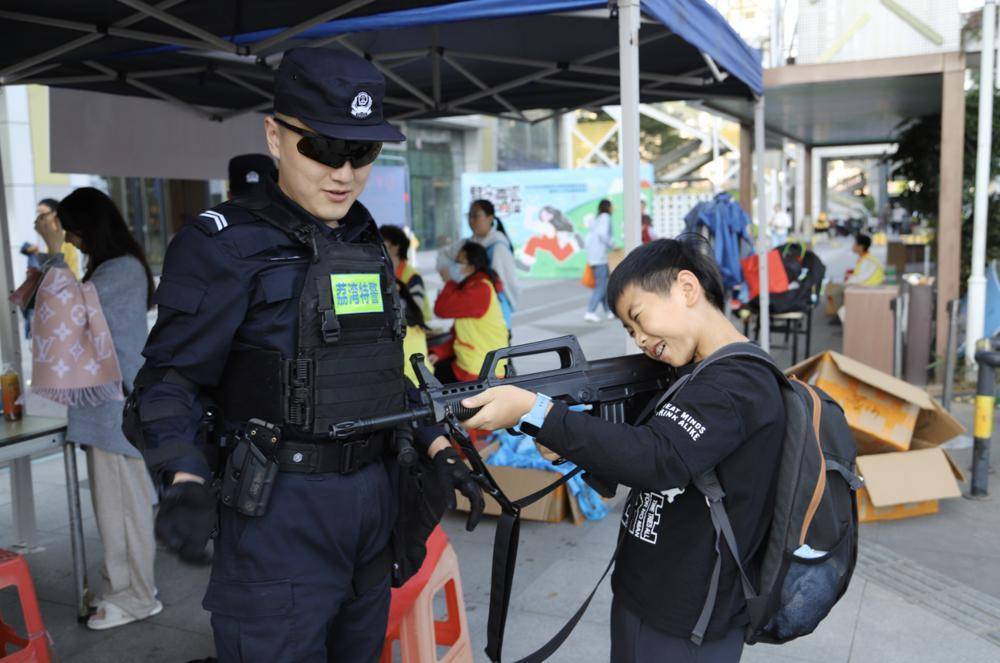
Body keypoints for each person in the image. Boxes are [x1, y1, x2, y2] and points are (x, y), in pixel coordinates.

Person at [132, 48, 483, 661]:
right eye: (321, 148)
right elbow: (167, 383)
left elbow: (379, 371)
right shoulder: (224, 246)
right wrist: (183, 478)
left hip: (373, 509)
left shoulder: (363, 239)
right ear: (274, 135)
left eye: (362, 152)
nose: (343, 172)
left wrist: (436, 446)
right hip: (279, 513)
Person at [460, 237, 785, 663]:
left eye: (639, 318)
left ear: (686, 289)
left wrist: (538, 411)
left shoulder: (739, 383)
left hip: (691, 619)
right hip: (645, 592)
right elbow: (631, 446)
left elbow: (658, 458)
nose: (640, 339)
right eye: (630, 331)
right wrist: (567, 443)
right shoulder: (688, 373)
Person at [34, 188, 160, 630]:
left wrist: (52, 253)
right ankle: (123, 587)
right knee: (115, 510)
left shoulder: (121, 270)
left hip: (115, 410)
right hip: (106, 408)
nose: (70, 238)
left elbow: (63, 311)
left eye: (72, 231)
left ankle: (138, 597)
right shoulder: (113, 267)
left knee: (125, 509)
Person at [431, 241, 509, 383]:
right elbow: (460, 335)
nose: (454, 266)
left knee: (433, 382)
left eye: (459, 262)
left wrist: (450, 282)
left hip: (478, 372)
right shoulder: (473, 287)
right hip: (472, 365)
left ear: (471, 267)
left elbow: (441, 309)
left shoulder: (480, 290)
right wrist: (439, 353)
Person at [437, 198, 521, 310]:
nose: (471, 221)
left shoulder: (498, 247)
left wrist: (455, 276)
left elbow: (505, 282)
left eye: (476, 216)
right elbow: (444, 255)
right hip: (473, 308)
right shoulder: (467, 243)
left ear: (490, 218)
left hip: (494, 310)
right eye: (469, 216)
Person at [824, 233, 886, 319]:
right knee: (834, 287)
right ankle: (840, 314)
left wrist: (845, 282)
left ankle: (842, 317)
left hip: (866, 286)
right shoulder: (865, 258)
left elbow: (861, 278)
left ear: (860, 247)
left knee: (834, 290)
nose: (852, 246)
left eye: (855, 244)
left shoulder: (868, 261)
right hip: (864, 284)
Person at [381, 223, 430, 321]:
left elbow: (415, 314)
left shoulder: (413, 276)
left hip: (413, 333)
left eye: (382, 245)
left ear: (395, 248)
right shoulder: (383, 274)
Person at [584, 198, 615, 322]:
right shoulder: (606, 218)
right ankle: (590, 311)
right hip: (600, 257)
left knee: (603, 284)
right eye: (611, 206)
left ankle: (608, 311)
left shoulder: (598, 219)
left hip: (594, 256)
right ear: (607, 207)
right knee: (601, 286)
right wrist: (612, 245)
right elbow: (603, 235)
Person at [37, 198, 82, 277]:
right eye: (38, 214)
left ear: (55, 214)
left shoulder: (64, 238)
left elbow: (67, 269)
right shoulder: (49, 237)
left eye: (43, 214)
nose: (39, 219)